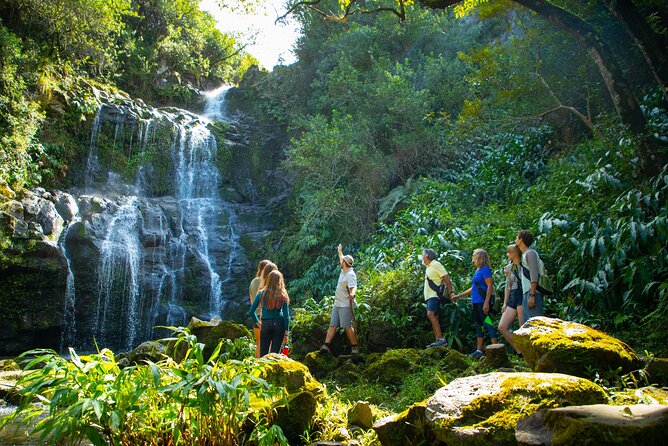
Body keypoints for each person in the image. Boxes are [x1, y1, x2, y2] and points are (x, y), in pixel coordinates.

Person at [452, 249, 498, 359]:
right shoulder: (477, 270)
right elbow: (473, 288)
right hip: (476, 302)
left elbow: (489, 286)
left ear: (479, 257)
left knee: (488, 322)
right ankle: (479, 349)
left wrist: (486, 302)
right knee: (479, 324)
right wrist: (459, 296)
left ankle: (495, 347)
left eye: (474, 255)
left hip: (483, 302)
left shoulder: (485, 269)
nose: (472, 257)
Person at [320, 244, 359, 355]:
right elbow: (342, 258)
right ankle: (326, 345)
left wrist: (352, 294)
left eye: (342, 261)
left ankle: (354, 347)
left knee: (347, 326)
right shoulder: (343, 271)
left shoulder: (350, 274)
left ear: (344, 264)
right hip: (337, 303)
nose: (340, 262)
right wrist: (340, 251)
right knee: (333, 325)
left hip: (345, 305)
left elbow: (353, 286)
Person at [248, 270, 290, 356]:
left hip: (266, 324)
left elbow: (251, 311)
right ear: (280, 281)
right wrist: (286, 333)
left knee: (263, 354)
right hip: (279, 325)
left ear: (268, 280)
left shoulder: (261, 293)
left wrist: (259, 323)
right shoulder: (283, 295)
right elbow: (286, 316)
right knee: (275, 355)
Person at [421, 249, 454, 348]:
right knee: (434, 316)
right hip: (429, 296)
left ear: (427, 256)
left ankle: (440, 339)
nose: (422, 257)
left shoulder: (436, 264)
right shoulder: (428, 267)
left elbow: (446, 277)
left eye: (423, 255)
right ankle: (437, 340)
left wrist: (450, 292)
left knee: (430, 314)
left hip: (434, 295)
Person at [497, 244, 523, 355]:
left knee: (523, 327)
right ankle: (519, 350)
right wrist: (505, 303)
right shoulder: (508, 268)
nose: (508, 254)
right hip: (513, 294)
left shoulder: (524, 264)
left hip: (522, 294)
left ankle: (527, 352)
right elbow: (508, 286)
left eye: (510, 252)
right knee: (502, 326)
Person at [515, 230, 544, 321]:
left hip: (533, 291)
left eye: (517, 237)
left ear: (521, 240)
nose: (515, 239)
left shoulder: (530, 253)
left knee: (534, 322)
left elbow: (534, 275)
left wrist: (532, 295)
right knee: (527, 322)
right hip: (527, 291)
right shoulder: (524, 255)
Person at [249, 259, 272, 358]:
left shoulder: (253, 282)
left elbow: (251, 301)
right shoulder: (266, 282)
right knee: (269, 345)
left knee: (259, 344)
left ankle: (256, 367)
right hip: (265, 316)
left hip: (255, 317)